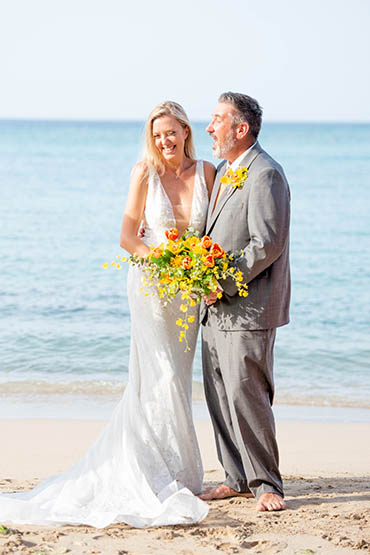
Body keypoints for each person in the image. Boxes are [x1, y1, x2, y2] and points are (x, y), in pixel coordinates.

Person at [0, 101, 215, 528]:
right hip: (152, 286)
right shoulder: (143, 173)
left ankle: (176, 469)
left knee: (178, 375)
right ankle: (160, 472)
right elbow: (126, 236)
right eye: (157, 135)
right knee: (161, 376)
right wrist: (164, 262)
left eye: (171, 132)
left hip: (189, 293)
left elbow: (212, 233)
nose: (164, 141)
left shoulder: (208, 173)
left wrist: (201, 273)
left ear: (186, 131)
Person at [200, 92, 290, 512]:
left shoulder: (265, 174)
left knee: (247, 394)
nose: (209, 127)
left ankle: (267, 483)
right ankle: (235, 479)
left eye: (217, 119)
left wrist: (222, 282)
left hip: (248, 307)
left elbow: (266, 244)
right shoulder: (223, 171)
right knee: (219, 395)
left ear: (241, 129)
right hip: (212, 308)